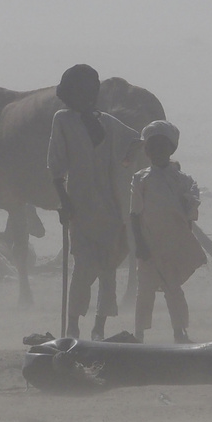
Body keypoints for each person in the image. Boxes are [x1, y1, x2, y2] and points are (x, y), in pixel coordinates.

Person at [48, 64, 140, 339]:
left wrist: (124, 162)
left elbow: (137, 140)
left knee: (109, 271)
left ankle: (99, 327)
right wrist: (63, 201)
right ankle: (73, 323)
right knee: (84, 268)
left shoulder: (108, 123)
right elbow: (55, 166)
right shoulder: (62, 119)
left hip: (110, 209)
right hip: (80, 208)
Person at [129, 120, 206, 343]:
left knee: (174, 289)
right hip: (149, 243)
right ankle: (139, 334)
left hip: (174, 245)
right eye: (153, 147)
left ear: (171, 149)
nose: (158, 152)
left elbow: (190, 211)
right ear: (147, 151)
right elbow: (134, 214)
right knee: (145, 290)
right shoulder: (140, 179)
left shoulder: (184, 180)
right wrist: (140, 245)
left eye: (163, 147)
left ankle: (179, 332)